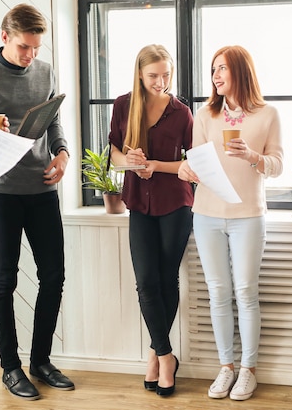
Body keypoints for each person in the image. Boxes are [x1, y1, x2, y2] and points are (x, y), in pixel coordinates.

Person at [0, 3, 72, 400]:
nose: (31, 56)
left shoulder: (44, 70)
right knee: (4, 280)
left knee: (53, 277)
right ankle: (11, 368)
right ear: (4, 37)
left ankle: (41, 361)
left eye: (36, 48)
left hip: (43, 190)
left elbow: (53, 121)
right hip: (2, 194)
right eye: (24, 47)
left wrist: (63, 154)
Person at [178, 45, 283, 401]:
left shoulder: (267, 114)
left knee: (245, 292)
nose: (215, 76)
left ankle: (248, 370)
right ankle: (226, 368)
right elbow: (196, 161)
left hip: (248, 216)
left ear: (240, 70)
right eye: (213, 70)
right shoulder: (205, 115)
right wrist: (188, 169)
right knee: (218, 293)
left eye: (222, 68)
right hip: (206, 214)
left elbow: (278, 163)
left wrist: (253, 157)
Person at [108, 44, 194, 397]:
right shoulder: (123, 105)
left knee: (166, 279)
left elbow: (192, 166)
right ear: (140, 75)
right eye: (153, 76)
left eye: (166, 75)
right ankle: (165, 353)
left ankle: (156, 356)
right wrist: (129, 162)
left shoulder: (182, 113)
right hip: (138, 205)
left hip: (176, 203)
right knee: (146, 282)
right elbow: (112, 153)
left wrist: (155, 165)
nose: (161, 82)